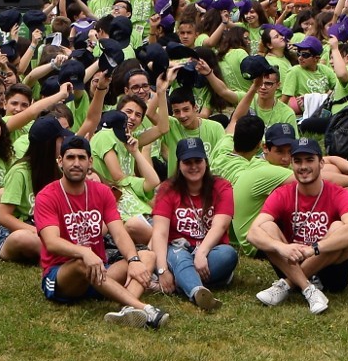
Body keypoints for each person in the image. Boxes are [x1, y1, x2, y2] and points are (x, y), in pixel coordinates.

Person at [33, 134, 168, 329]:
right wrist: (84, 252)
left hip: (99, 271)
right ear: (60, 161)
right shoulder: (47, 195)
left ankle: (126, 311)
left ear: (90, 162)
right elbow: (51, 242)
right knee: (82, 263)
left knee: (147, 256)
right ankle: (143, 308)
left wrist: (133, 260)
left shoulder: (102, 192)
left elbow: (119, 233)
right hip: (62, 275)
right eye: (70, 157)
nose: (76, 163)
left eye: (81, 158)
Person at [247, 137, 348, 314]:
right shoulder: (282, 193)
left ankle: (287, 284)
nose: (303, 166)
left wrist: (314, 248)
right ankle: (308, 289)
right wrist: (281, 247)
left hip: (329, 270)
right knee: (267, 228)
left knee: (339, 228)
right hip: (292, 260)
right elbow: (252, 233)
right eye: (298, 161)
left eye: (309, 160)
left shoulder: (338, 193)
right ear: (292, 165)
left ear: (321, 163)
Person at [146, 137, 237, 311]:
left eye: (198, 161)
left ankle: (178, 283)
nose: (194, 166)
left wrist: (201, 253)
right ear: (179, 164)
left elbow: (220, 225)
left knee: (228, 254)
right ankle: (197, 291)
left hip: (210, 251)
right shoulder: (167, 189)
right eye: (188, 162)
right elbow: (160, 233)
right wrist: (162, 270)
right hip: (178, 248)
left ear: (206, 162)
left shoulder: (222, 186)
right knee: (179, 256)